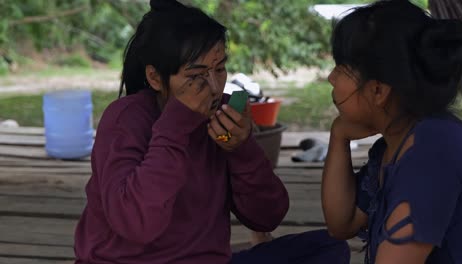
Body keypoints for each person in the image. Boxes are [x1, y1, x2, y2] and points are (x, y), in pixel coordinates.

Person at [74, 0, 349, 263]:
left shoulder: (221, 120)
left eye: (220, 69)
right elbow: (137, 224)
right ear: (155, 78)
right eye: (196, 76)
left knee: (328, 248)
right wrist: (175, 127)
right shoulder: (125, 119)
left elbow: (268, 216)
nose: (215, 87)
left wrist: (241, 149)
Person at [321, 0, 462, 263]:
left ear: (378, 91)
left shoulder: (433, 151)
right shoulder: (397, 142)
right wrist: (339, 135)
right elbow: (342, 223)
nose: (331, 78)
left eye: (341, 67)